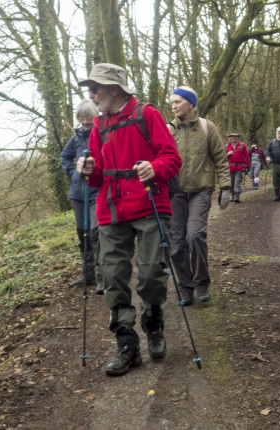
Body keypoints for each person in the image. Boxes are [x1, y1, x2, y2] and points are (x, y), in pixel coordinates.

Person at [77, 63, 182, 376]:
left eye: (96, 88)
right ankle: (127, 344)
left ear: (114, 88)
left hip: (150, 203)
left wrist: (155, 168)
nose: (91, 94)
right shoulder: (98, 125)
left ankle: (153, 319)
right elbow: (96, 178)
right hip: (111, 209)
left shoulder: (146, 114)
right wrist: (87, 169)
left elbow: (172, 158)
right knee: (111, 274)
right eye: (90, 89)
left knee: (150, 272)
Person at [168, 86, 230, 306]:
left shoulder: (207, 127)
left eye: (178, 102)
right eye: (172, 103)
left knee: (194, 235)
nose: (173, 106)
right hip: (174, 193)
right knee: (176, 243)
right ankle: (185, 288)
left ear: (191, 104)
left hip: (201, 191)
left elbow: (220, 159)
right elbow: (160, 160)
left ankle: (202, 283)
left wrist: (225, 187)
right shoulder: (168, 130)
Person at [61, 99, 104, 294]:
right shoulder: (76, 138)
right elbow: (65, 156)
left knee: (97, 234)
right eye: (81, 117)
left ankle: (103, 275)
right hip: (78, 193)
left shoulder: (102, 133)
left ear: (96, 115)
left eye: (88, 116)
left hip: (97, 192)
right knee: (83, 234)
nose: (85, 121)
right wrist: (72, 173)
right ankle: (88, 273)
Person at [226, 129, 249, 203]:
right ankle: (232, 195)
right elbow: (223, 158)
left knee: (237, 182)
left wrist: (247, 166)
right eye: (232, 136)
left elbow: (246, 156)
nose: (234, 138)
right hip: (230, 167)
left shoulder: (242, 145)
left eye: (235, 136)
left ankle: (237, 196)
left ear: (237, 137)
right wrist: (227, 154)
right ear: (230, 137)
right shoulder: (227, 146)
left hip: (239, 167)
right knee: (231, 183)